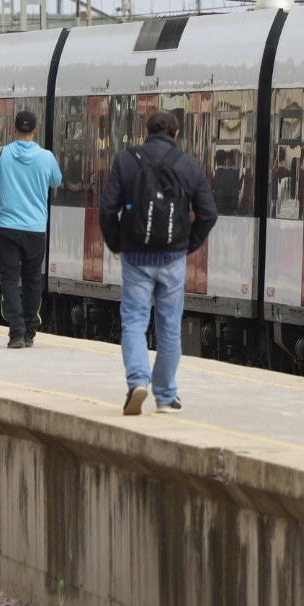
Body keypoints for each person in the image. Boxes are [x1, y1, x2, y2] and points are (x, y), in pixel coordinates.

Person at [99, 110, 218, 415]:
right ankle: (165, 396)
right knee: (169, 326)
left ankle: (138, 381)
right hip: (172, 256)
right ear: (176, 134)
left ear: (146, 132)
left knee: (135, 321)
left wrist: (117, 243)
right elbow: (208, 214)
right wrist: (187, 244)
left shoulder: (126, 160)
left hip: (136, 255)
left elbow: (107, 209)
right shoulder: (189, 165)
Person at [0, 109, 63, 348]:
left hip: (6, 226)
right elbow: (57, 181)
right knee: (33, 278)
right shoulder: (46, 157)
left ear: (14, 129)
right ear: (35, 130)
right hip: (36, 227)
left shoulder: (0, 154)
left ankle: (16, 332)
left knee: (9, 277)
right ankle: (30, 331)